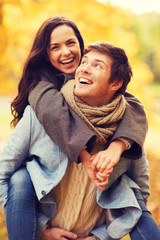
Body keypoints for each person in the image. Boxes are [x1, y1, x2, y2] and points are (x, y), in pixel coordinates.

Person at [0, 16, 148, 239]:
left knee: (134, 198)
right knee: (20, 178)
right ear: (46, 54)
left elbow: (132, 103)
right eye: (55, 47)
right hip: (48, 206)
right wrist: (40, 231)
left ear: (80, 44)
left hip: (90, 216)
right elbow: (54, 114)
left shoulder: (102, 88)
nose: (66, 52)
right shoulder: (42, 90)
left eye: (70, 43)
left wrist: (117, 146)